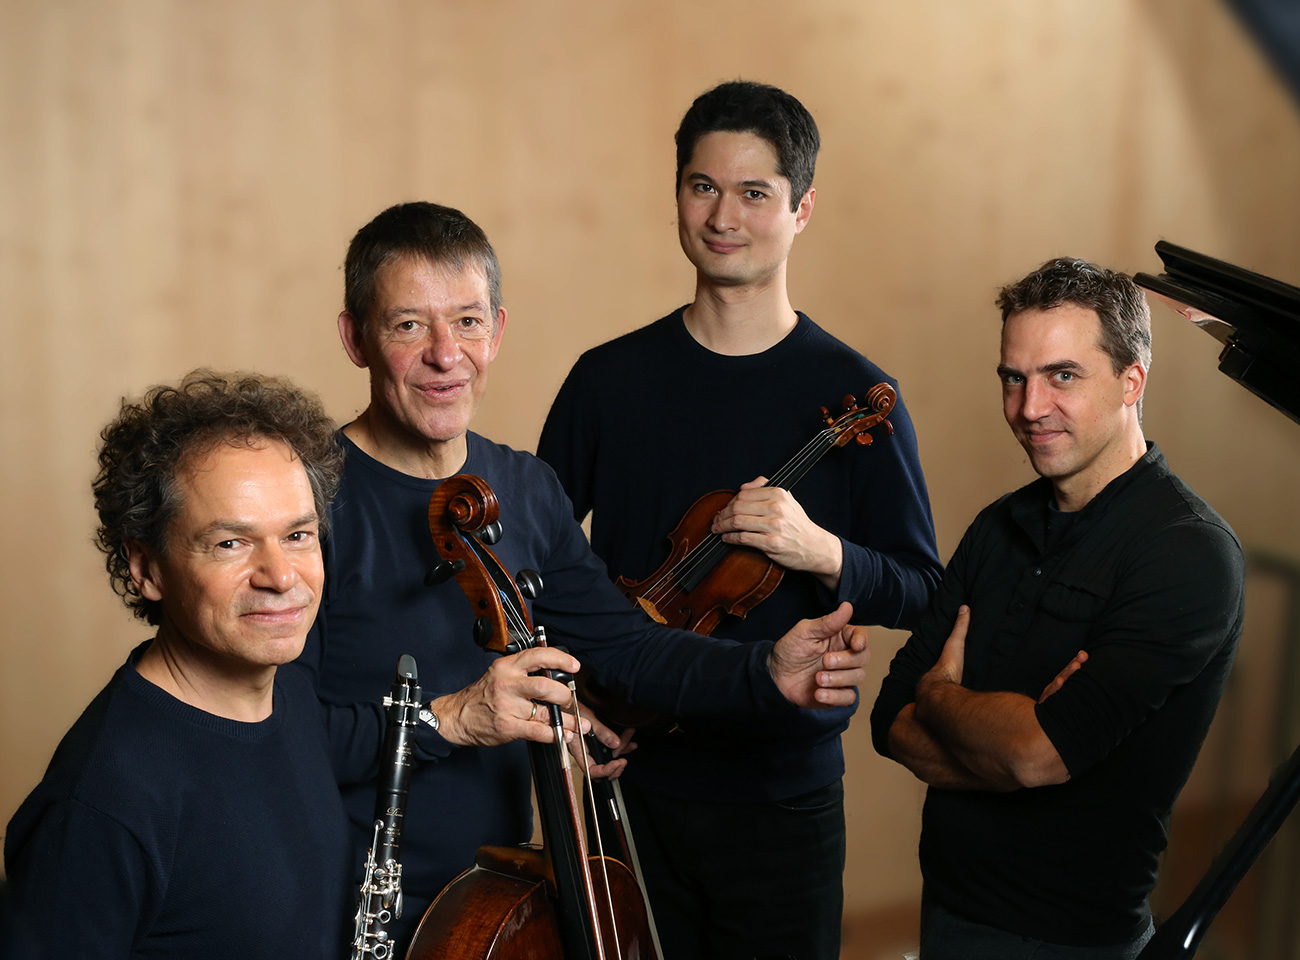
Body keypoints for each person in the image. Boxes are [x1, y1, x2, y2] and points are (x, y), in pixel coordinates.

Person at [296, 200, 873, 949]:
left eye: (468, 322)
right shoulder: (304, 505)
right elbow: (278, 734)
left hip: (500, 910)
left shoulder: (525, 488)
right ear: (356, 338)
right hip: (349, 910)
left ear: (497, 331)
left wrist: (765, 671)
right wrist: (452, 717)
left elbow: (628, 647)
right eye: (409, 325)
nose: (445, 354)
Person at [536, 80, 943, 959]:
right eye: (703, 186)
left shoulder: (854, 395)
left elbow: (923, 590)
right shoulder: (607, 380)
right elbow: (537, 566)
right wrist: (578, 697)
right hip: (628, 783)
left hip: (781, 797)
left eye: (755, 192)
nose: (723, 216)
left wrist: (821, 550)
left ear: (802, 209)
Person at [869, 258, 1245, 959]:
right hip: (946, 914)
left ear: (1132, 380)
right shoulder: (997, 526)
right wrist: (1009, 745)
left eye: (1062, 376)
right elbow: (890, 720)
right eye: (1014, 378)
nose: (1030, 408)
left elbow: (1034, 753)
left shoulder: (1187, 552)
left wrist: (940, 694)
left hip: (1072, 943)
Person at [3, 371, 369, 959]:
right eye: (231, 543)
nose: (281, 576)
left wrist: (457, 718)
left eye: (298, 535)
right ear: (147, 569)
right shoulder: (100, 805)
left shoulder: (290, 697)